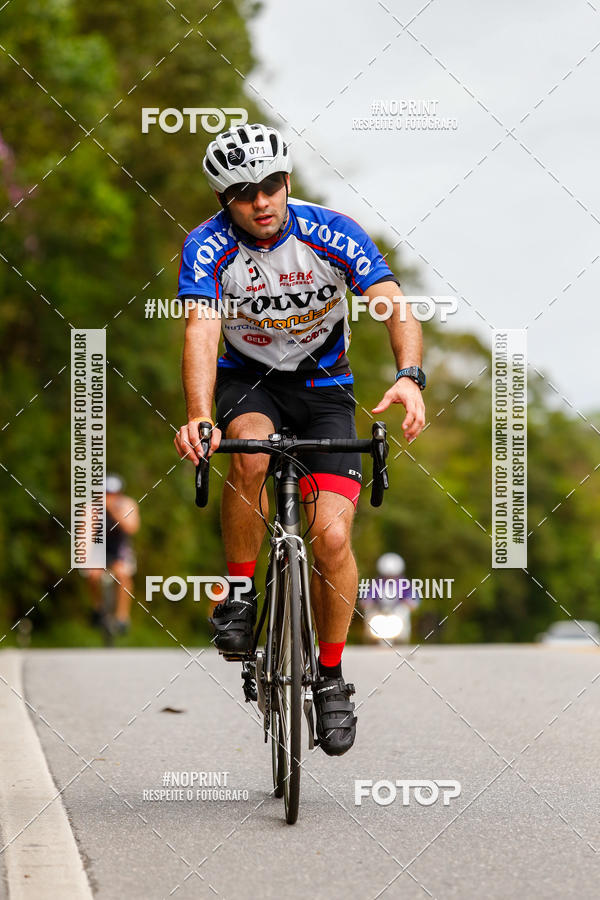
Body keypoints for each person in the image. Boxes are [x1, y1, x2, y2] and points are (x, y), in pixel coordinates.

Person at [174, 123, 426, 756]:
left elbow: (392, 301)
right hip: (247, 383)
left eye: (272, 185)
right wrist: (200, 414)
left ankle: (332, 676)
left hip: (324, 391)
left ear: (288, 181)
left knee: (333, 536)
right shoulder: (207, 248)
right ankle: (236, 594)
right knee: (251, 451)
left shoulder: (331, 232)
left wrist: (409, 378)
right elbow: (203, 328)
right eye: (243, 192)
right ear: (223, 200)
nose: (261, 201)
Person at [85, 474, 140, 634]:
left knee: (123, 575)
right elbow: (86, 534)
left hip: (119, 549)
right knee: (92, 575)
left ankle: (122, 617)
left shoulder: (128, 504)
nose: (110, 497)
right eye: (106, 493)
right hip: (98, 549)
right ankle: (98, 608)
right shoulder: (91, 508)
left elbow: (131, 528)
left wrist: (113, 510)